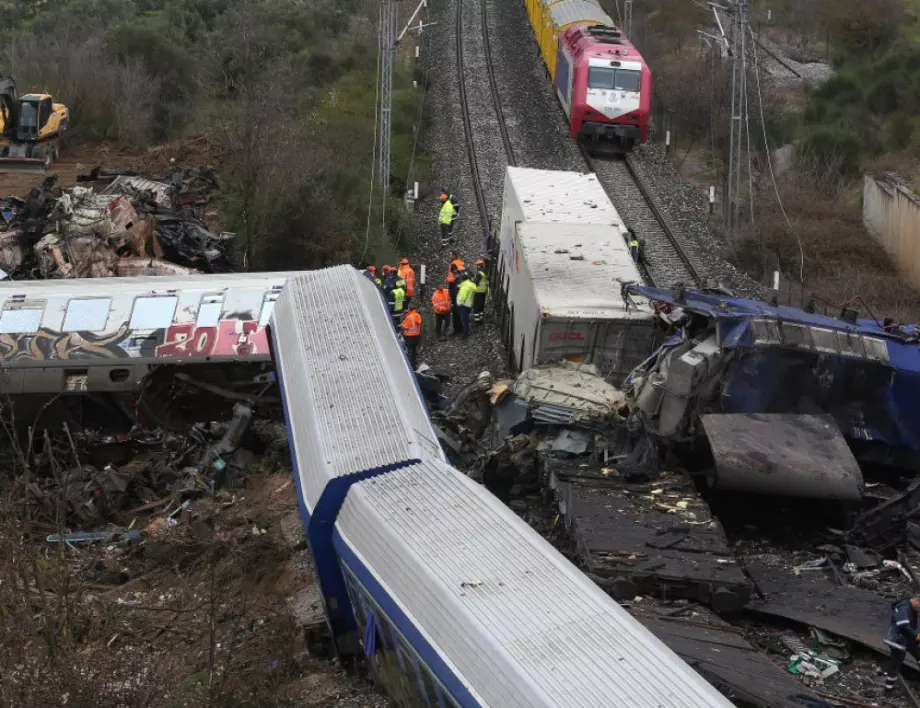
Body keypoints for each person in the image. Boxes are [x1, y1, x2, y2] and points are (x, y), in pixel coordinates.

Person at [884, 596, 920, 692]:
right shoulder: (904, 607)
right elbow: (903, 625)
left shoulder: (910, 607)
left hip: (907, 638)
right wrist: (917, 636)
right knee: (896, 663)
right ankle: (888, 689)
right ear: (917, 600)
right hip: (898, 640)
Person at [456, 272, 476, 339]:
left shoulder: (464, 287)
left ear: (462, 279)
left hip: (463, 305)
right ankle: (466, 331)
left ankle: (465, 334)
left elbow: (462, 297)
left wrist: (459, 303)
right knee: (466, 319)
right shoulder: (471, 285)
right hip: (469, 304)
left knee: (464, 320)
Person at [472, 258, 489, 324]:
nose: (476, 267)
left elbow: (476, 283)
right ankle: (481, 319)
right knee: (481, 307)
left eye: (477, 266)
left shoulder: (479, 274)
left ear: (479, 266)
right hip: (483, 292)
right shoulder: (485, 272)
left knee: (476, 307)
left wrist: (472, 280)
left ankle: (477, 321)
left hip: (478, 292)